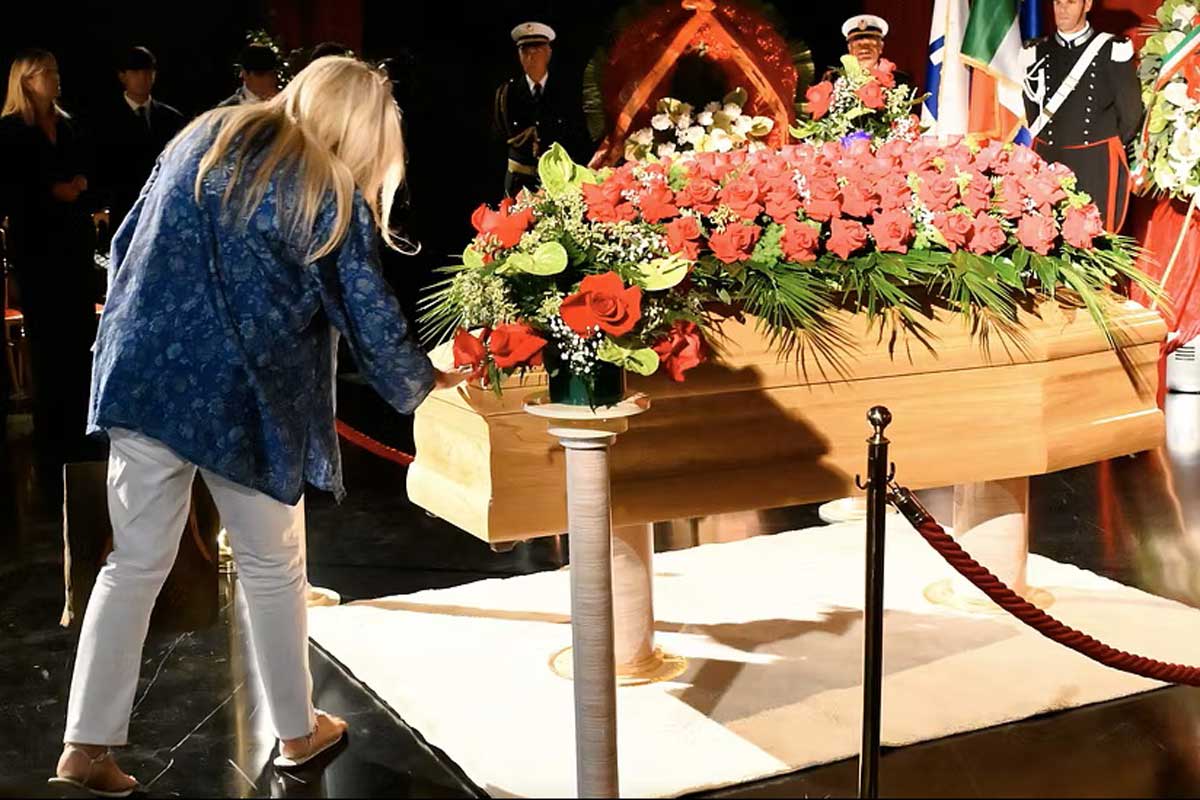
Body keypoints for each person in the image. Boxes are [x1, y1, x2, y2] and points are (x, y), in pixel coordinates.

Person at [51, 56, 464, 796]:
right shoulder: (326, 187)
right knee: (274, 567)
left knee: (133, 562)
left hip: (144, 377)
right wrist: (422, 379)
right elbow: (366, 311)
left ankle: (84, 746)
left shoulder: (204, 135)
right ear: (362, 131)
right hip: (245, 400)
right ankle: (298, 734)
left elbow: (124, 243)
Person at [0, 50, 101, 474]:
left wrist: (80, 183)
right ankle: (52, 434)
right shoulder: (10, 132)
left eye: (57, 71)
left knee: (79, 336)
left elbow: (89, 166)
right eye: (47, 73)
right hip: (38, 248)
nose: (56, 79)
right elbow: (11, 190)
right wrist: (50, 192)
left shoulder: (68, 125)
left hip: (73, 244)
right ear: (26, 80)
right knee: (47, 340)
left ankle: (83, 426)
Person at [1021, 0, 1142, 232]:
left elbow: (1130, 114)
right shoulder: (1035, 51)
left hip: (1096, 162)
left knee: (1096, 239)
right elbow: (1032, 112)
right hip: (1048, 161)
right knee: (1045, 237)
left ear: (1087, 5)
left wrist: (1101, 139)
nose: (1062, 9)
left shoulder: (1112, 49)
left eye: (1071, 2)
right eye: (1057, 2)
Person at [94, 46, 186, 240]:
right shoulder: (104, 120)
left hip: (163, 208)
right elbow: (99, 166)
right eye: (135, 72)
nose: (143, 77)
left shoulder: (172, 118)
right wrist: (101, 206)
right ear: (122, 76)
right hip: (122, 209)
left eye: (148, 72)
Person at [492, 21, 590, 197]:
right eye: (525, 51)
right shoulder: (507, 93)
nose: (531, 57)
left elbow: (579, 134)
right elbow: (498, 138)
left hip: (560, 181)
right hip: (520, 182)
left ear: (548, 53)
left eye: (537, 50)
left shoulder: (567, 91)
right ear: (519, 55)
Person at [829, 15, 912, 86]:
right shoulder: (835, 80)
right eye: (858, 45)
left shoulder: (901, 81)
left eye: (871, 44)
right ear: (850, 48)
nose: (864, 49)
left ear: (881, 47)